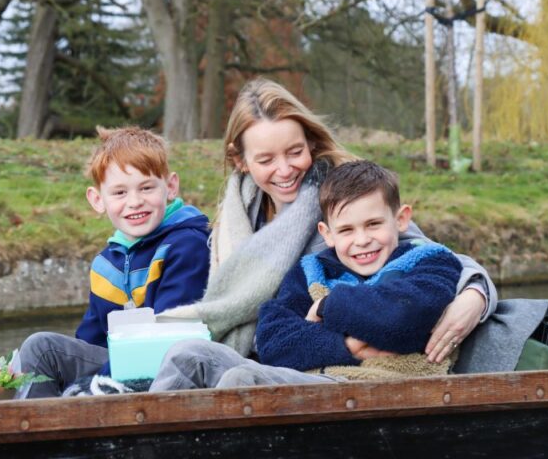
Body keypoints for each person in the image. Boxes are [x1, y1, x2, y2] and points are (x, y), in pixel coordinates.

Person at [157, 78, 495, 368]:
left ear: (311, 143)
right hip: (274, 351)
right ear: (240, 160)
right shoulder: (235, 217)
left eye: (294, 152)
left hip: (334, 363)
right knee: (186, 357)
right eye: (265, 159)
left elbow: (425, 254)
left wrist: (475, 295)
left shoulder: (344, 197)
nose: (285, 169)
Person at [149, 160, 462, 390]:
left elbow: (400, 321)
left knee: (243, 381)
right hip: (310, 379)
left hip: (379, 388)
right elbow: (274, 342)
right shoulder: (311, 272)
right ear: (327, 233)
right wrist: (350, 345)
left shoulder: (429, 263)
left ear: (401, 219)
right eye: (347, 230)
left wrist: (326, 308)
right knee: (187, 354)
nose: (362, 240)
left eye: (373, 224)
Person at [18, 126, 210, 398]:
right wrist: (88, 380)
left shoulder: (187, 245)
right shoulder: (106, 264)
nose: (135, 202)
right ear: (98, 200)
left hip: (171, 368)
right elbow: (91, 340)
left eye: (146, 187)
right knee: (41, 348)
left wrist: (98, 382)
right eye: (120, 193)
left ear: (170, 186)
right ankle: (39, 431)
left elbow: (169, 338)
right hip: (119, 364)